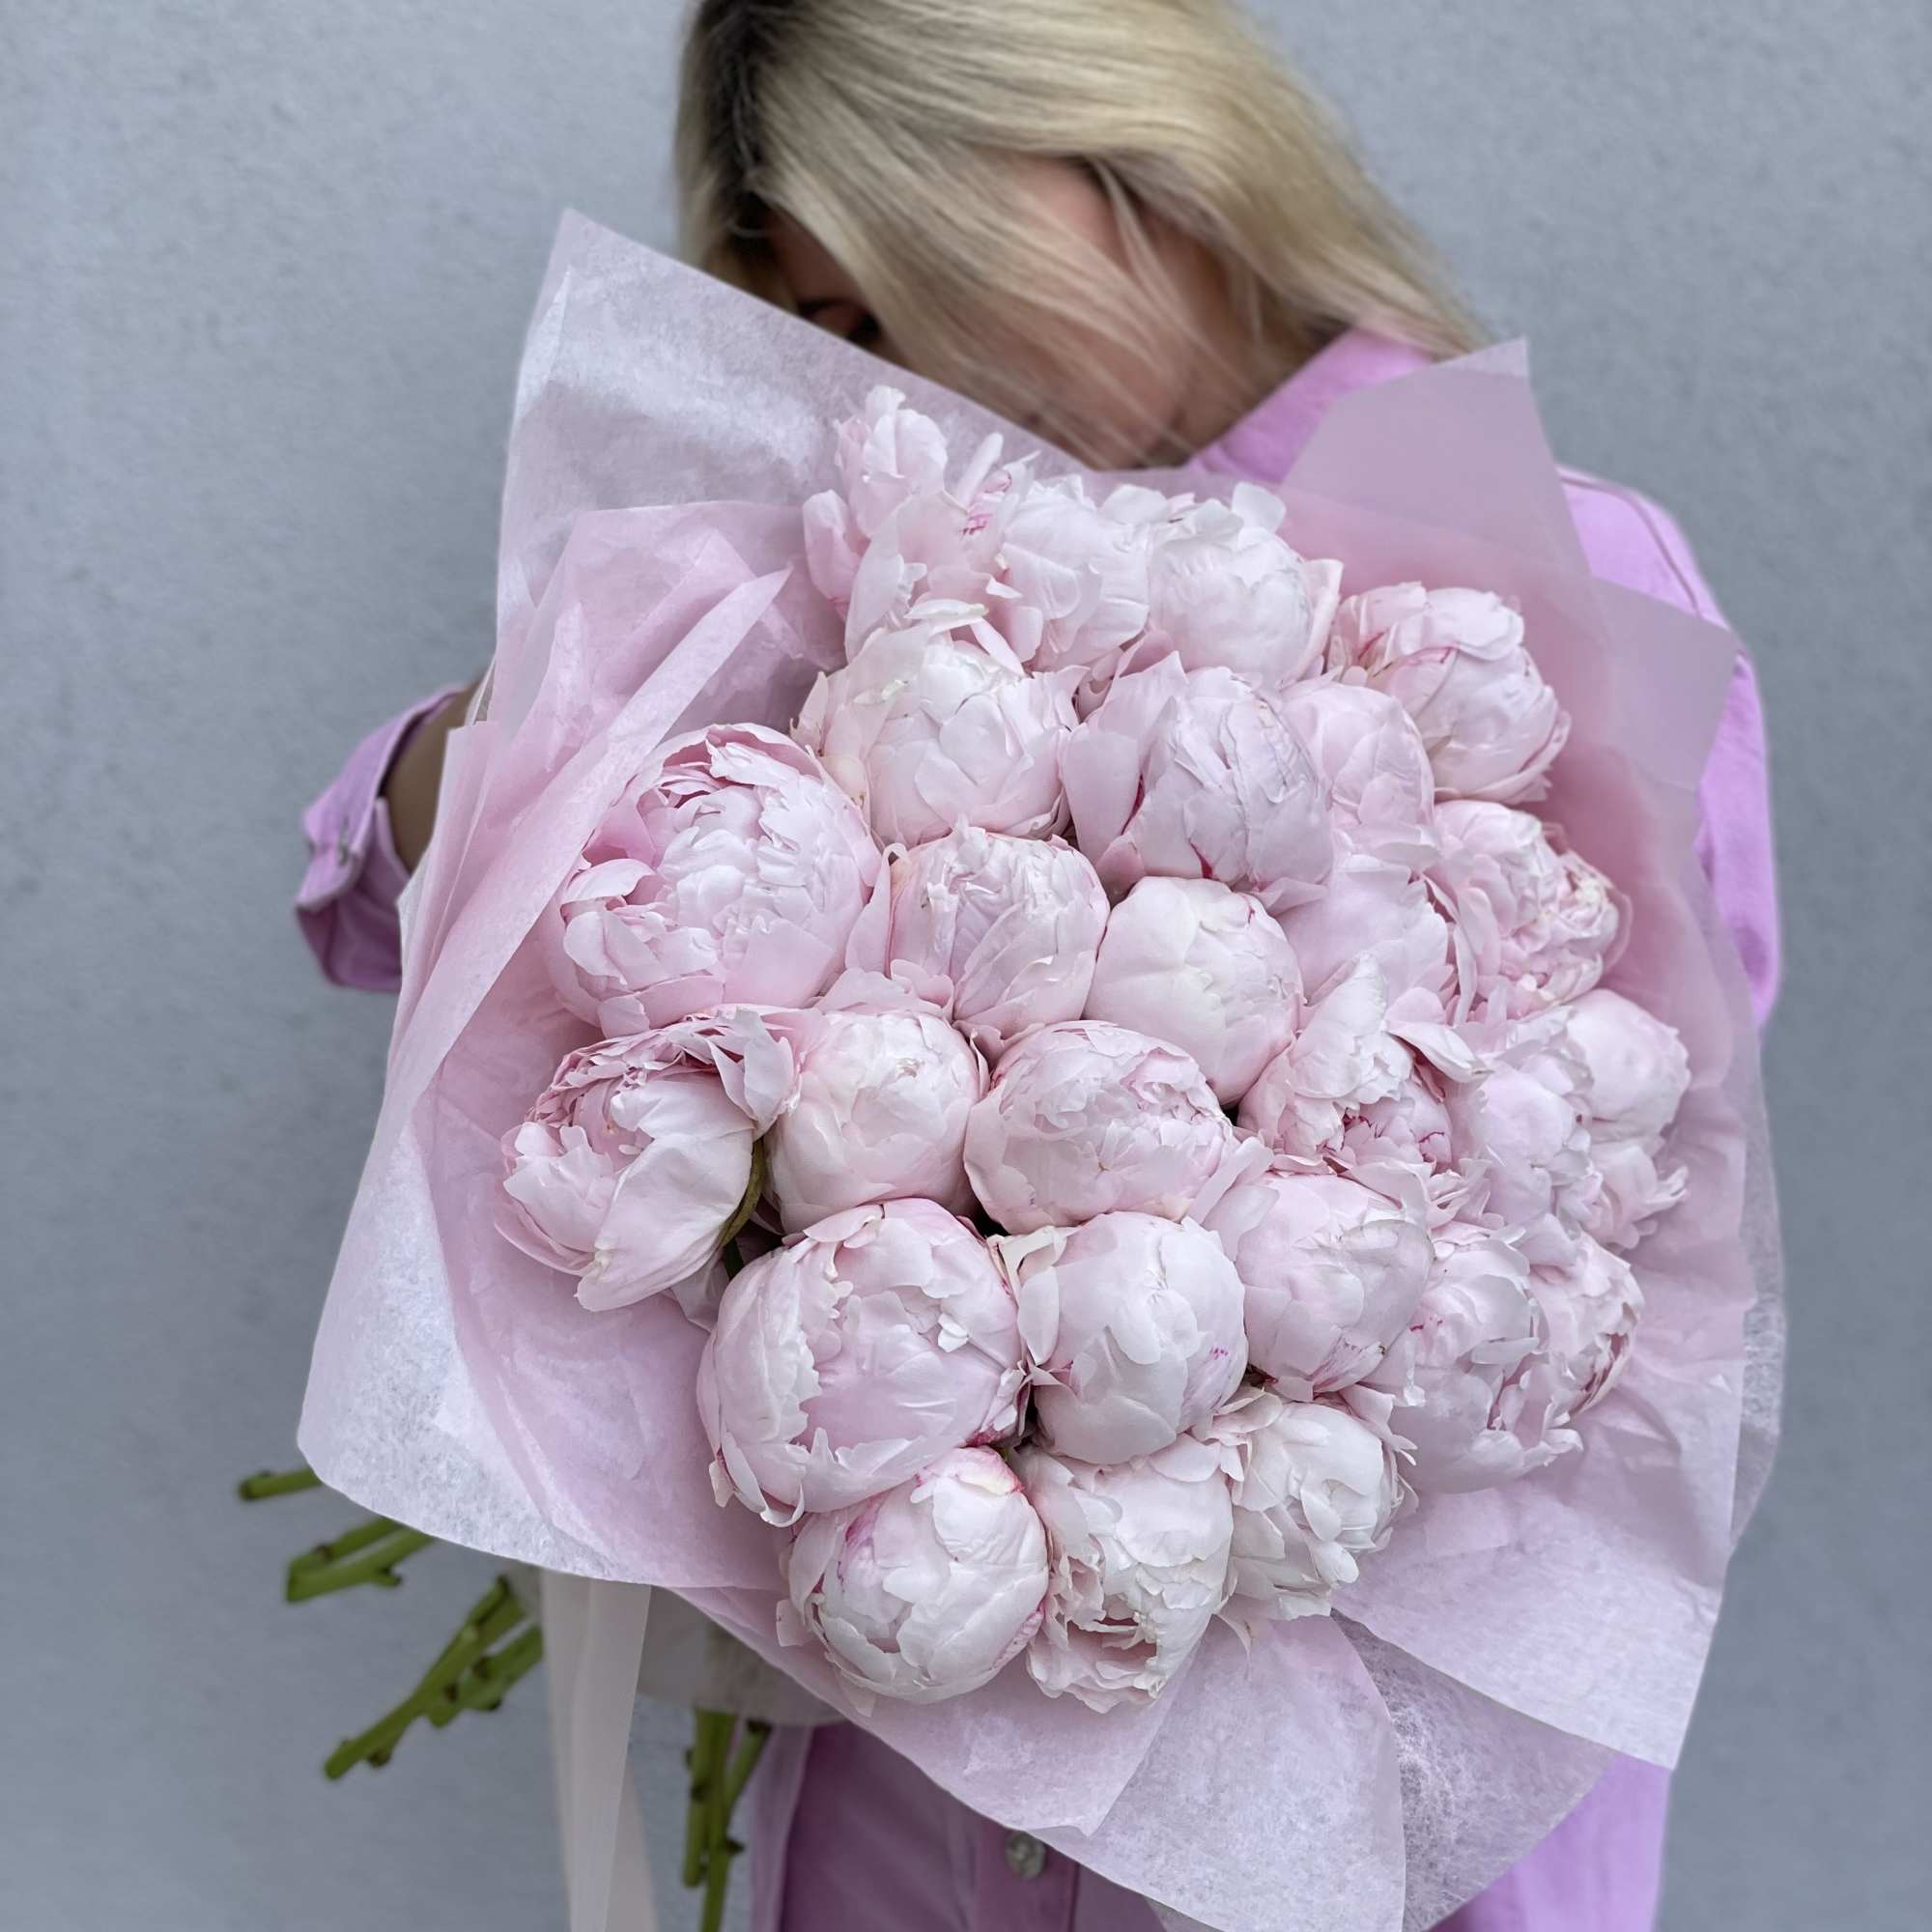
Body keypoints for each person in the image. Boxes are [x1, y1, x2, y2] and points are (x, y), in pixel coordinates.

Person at [295, 3, 1780, 1926]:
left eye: (899, 279)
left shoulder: (1554, 581)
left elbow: (1626, 1216)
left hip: (1375, 1795)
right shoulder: (892, 588)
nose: (879, 371)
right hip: (918, 1793)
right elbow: (373, 897)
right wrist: (477, 771)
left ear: (1128, 160)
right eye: (819, 331)